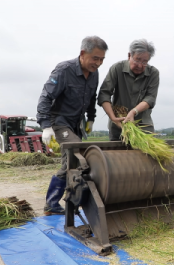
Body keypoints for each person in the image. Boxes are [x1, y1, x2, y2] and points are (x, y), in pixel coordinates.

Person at [36, 36, 108, 215]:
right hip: (59, 122)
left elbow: (91, 98)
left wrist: (91, 118)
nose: (98, 63)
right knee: (76, 157)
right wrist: (46, 126)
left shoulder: (94, 73)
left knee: (71, 163)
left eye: (101, 59)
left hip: (76, 123)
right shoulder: (64, 70)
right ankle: (59, 202)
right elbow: (46, 97)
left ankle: (62, 203)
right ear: (83, 53)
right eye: (95, 58)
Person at [97, 39, 159, 141]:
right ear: (129, 56)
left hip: (143, 127)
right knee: (116, 155)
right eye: (137, 60)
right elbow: (104, 94)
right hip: (119, 125)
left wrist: (133, 112)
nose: (140, 65)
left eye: (144, 62)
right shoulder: (117, 68)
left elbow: (150, 98)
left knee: (148, 155)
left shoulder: (153, 73)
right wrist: (113, 118)